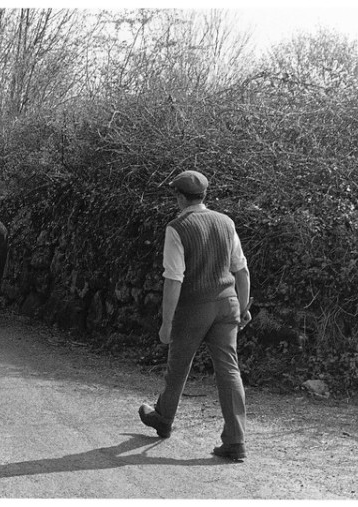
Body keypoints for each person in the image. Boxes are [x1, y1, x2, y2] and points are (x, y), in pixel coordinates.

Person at [138, 170, 252, 461]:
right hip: (228, 304)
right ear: (204, 195)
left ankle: (163, 418)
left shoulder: (178, 227)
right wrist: (245, 306)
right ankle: (235, 440)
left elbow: (174, 278)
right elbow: (241, 270)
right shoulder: (226, 222)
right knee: (229, 369)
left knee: (179, 365)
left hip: (195, 306)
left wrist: (166, 322)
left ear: (179, 196)